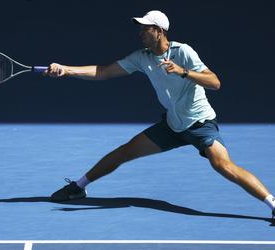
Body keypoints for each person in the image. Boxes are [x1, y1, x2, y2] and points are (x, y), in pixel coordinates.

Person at [45, 10, 275, 220]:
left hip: (200, 124)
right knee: (125, 151)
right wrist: (66, 70)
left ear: (160, 31)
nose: (141, 32)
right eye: (141, 28)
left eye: (146, 28)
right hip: (172, 126)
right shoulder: (141, 57)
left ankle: (273, 204)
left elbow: (215, 82)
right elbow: (103, 72)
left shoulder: (182, 52)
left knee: (223, 166)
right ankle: (79, 187)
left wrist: (183, 71)